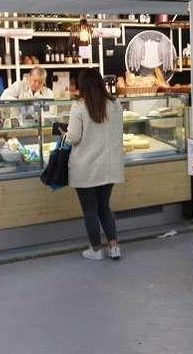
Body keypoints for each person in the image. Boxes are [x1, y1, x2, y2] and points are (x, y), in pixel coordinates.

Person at [65, 69, 125, 260]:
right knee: (104, 207)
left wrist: (63, 135)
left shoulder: (79, 106)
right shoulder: (115, 104)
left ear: (82, 86)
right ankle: (114, 246)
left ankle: (96, 249)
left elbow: (73, 137)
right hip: (109, 165)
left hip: (86, 166)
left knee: (90, 209)